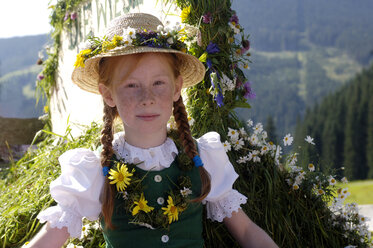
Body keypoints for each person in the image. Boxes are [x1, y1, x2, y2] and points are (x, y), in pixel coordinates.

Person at [27, 13, 278, 248]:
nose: (147, 98)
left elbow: (245, 231)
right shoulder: (95, 170)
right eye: (131, 85)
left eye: (158, 83)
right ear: (108, 94)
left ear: (177, 88)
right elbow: (53, 233)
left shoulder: (203, 158)